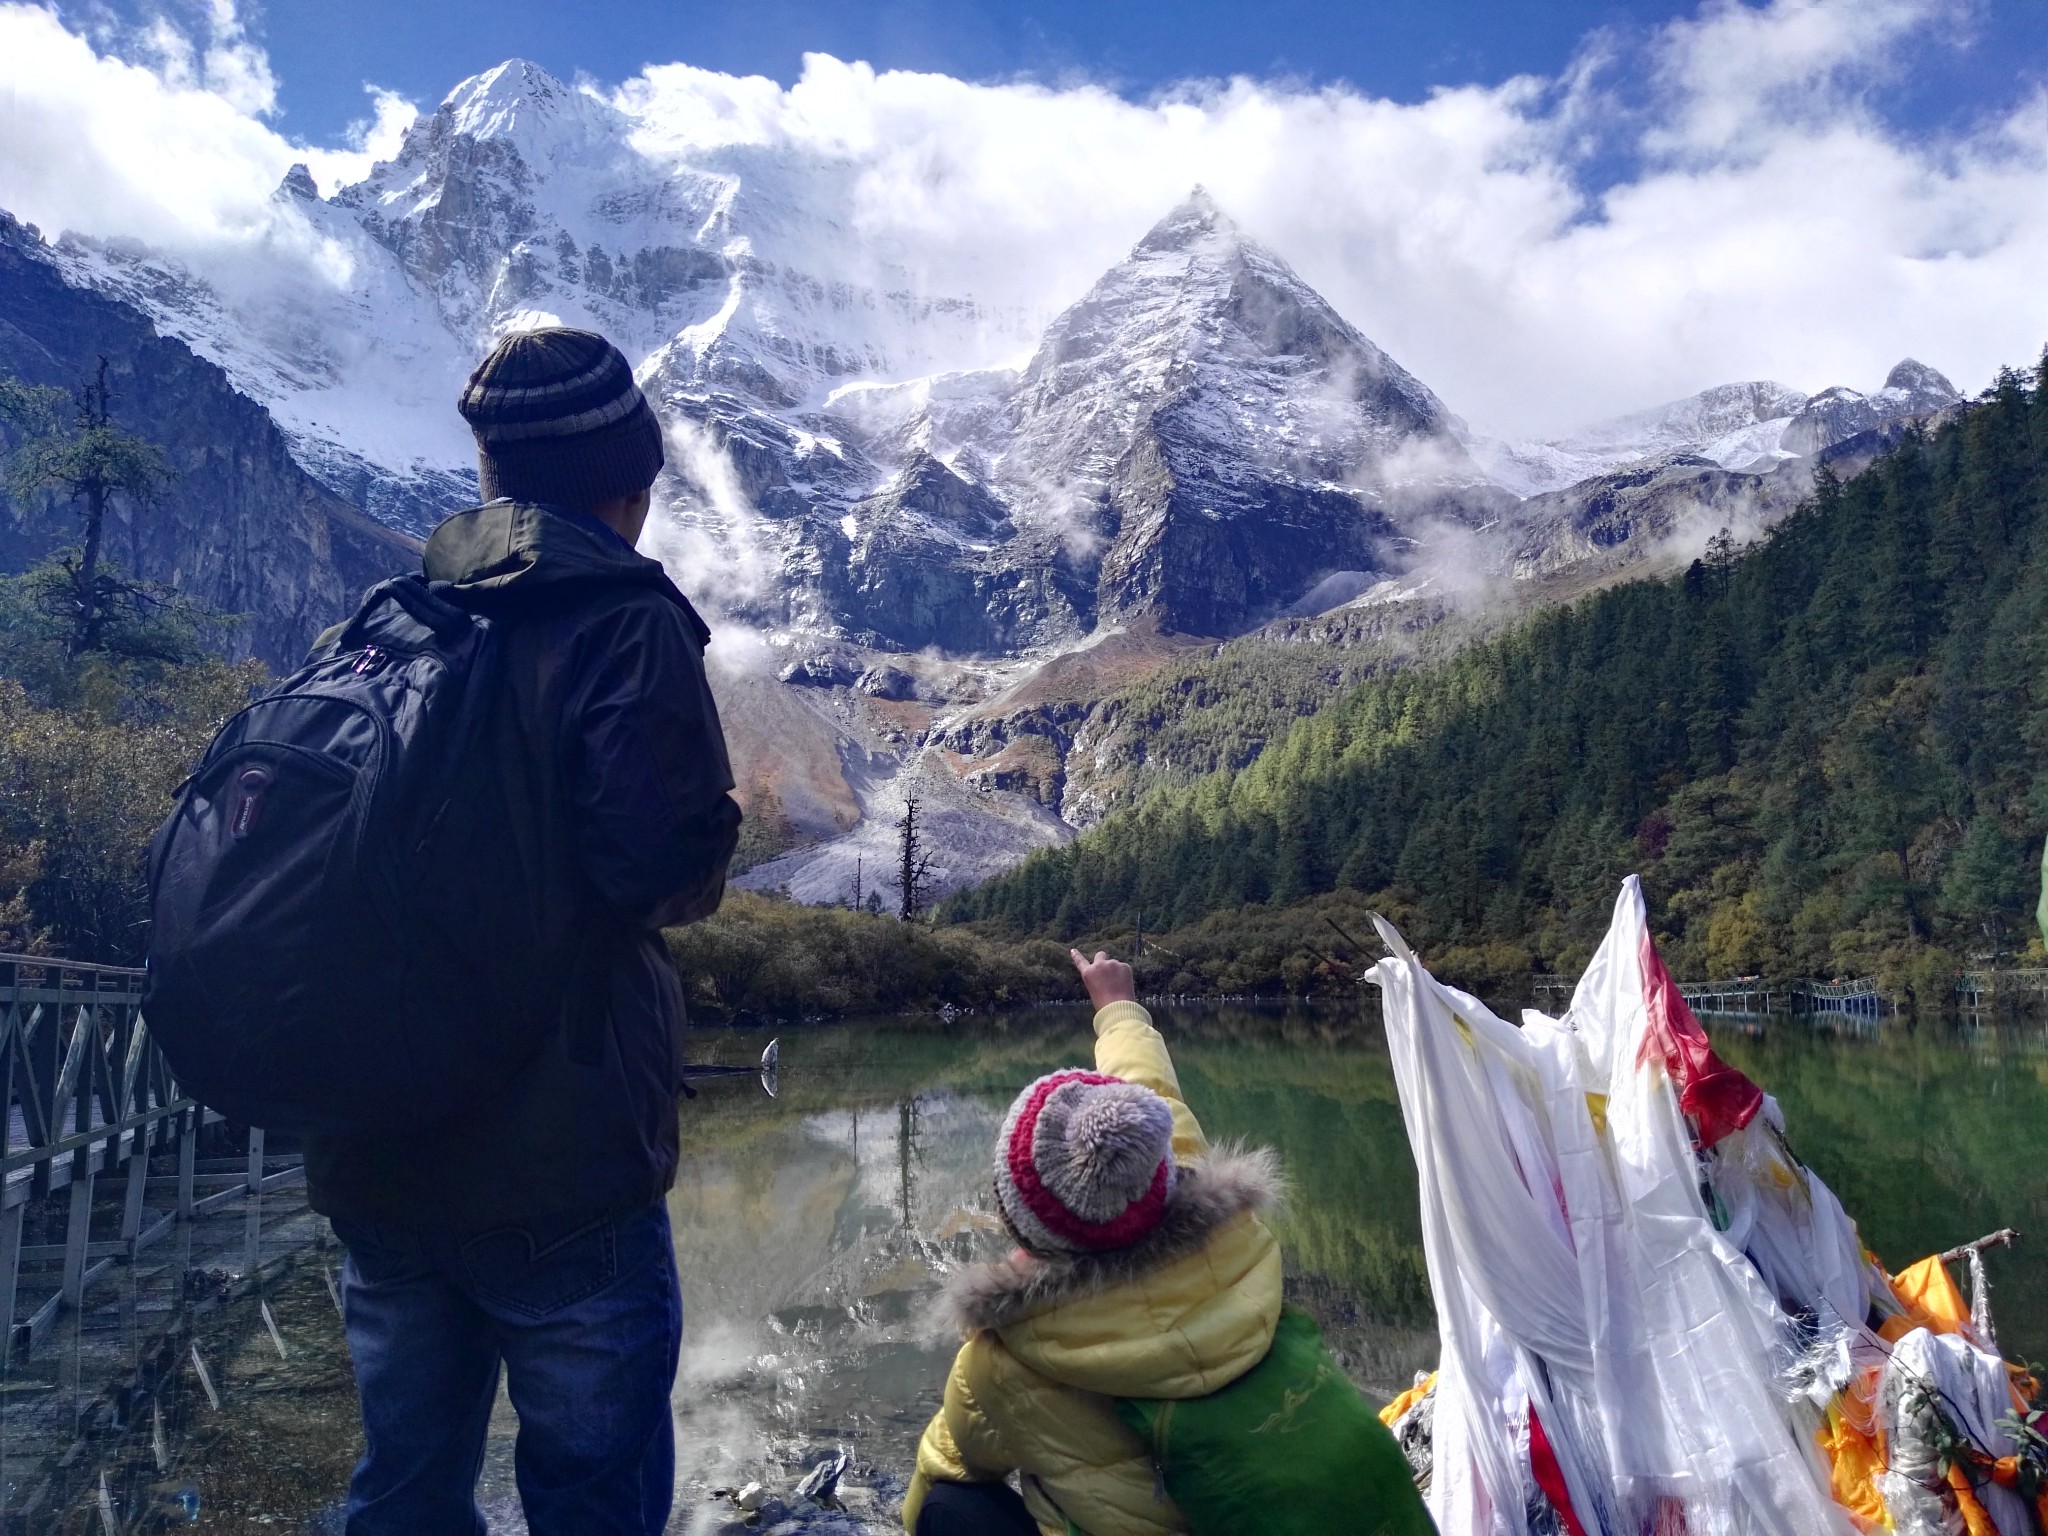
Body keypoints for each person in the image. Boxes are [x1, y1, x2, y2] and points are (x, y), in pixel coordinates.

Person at [302, 328, 742, 1536]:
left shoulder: (389, 615)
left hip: (377, 1145)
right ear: (632, 486)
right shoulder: (623, 617)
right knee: (590, 1495)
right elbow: (653, 870)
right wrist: (718, 831)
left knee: (400, 1485)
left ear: (488, 476)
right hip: (561, 1155)